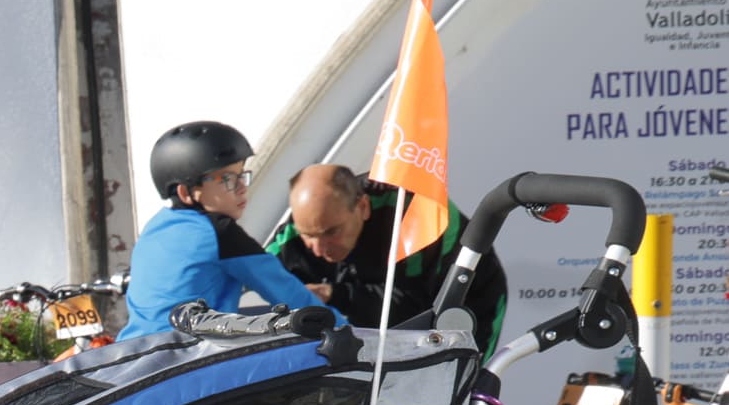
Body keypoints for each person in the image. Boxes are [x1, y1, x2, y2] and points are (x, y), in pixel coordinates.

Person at [271, 162, 508, 345]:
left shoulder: (413, 215)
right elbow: (253, 266)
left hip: (466, 304)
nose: (319, 249)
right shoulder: (301, 226)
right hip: (381, 294)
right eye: (308, 235)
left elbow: (410, 310)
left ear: (362, 207)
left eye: (331, 232)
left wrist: (332, 293)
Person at [120, 121, 317, 338]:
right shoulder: (219, 232)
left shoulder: (153, 229)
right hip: (187, 357)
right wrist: (348, 332)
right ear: (186, 192)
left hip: (134, 355)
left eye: (242, 174)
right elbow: (289, 294)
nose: (242, 187)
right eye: (227, 179)